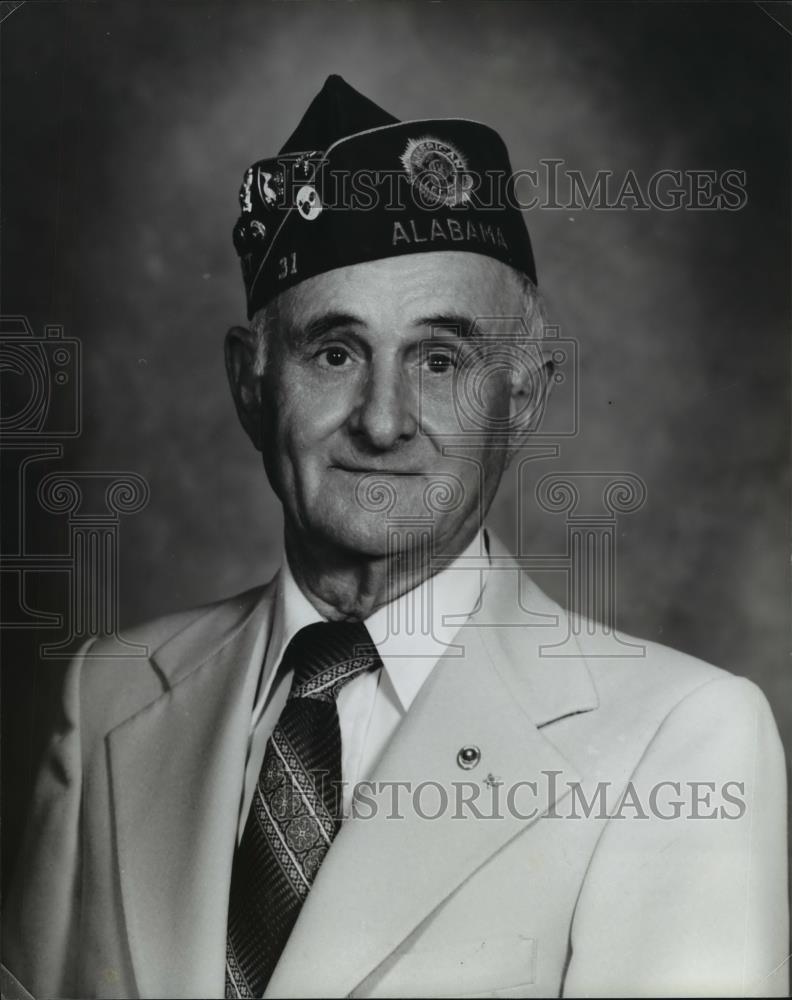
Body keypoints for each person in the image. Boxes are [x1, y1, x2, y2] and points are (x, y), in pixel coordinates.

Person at [3, 75, 788, 1000]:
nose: (383, 421)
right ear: (250, 383)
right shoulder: (108, 694)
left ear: (523, 396)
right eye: (334, 352)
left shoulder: (677, 737)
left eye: (440, 360)